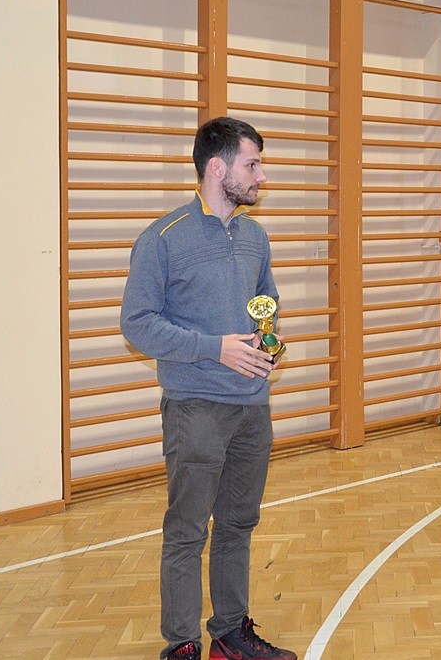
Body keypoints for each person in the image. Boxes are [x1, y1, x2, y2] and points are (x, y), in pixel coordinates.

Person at [121, 117, 296, 660]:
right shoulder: (163, 239)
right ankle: (181, 644)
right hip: (195, 408)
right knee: (187, 530)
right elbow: (137, 323)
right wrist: (213, 348)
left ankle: (230, 634)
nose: (261, 176)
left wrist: (269, 343)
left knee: (238, 524)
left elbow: (266, 304)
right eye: (252, 164)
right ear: (217, 168)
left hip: (252, 407)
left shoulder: (255, 237)